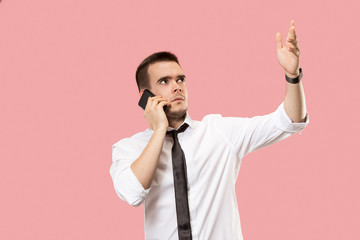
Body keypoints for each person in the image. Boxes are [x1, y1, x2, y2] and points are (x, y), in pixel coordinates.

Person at [110, 20, 309, 240]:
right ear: (145, 97)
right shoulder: (129, 148)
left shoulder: (219, 132)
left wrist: (293, 76)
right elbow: (131, 193)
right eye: (164, 81)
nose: (177, 86)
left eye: (181, 79)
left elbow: (289, 120)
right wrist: (159, 131)